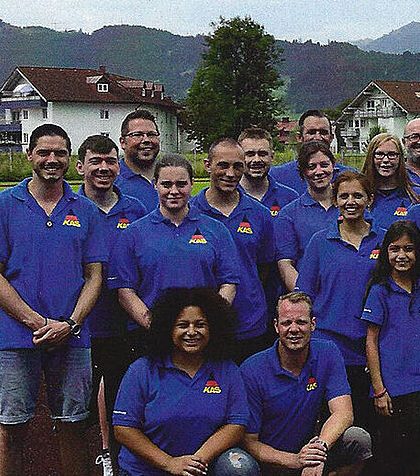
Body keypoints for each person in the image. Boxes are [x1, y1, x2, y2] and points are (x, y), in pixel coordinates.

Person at [0, 124, 120, 476]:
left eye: (60, 153)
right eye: (44, 152)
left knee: (73, 424)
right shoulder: (3, 205)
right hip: (15, 339)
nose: (52, 160)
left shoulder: (85, 210)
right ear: (30, 155)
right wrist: (35, 321)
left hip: (71, 339)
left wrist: (69, 323)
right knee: (12, 428)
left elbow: (95, 276)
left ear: (70, 159)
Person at [113, 288, 257, 476]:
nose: (192, 332)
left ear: (213, 327)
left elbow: (236, 424)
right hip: (149, 474)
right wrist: (169, 464)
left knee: (241, 470)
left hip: (203, 470)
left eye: (200, 324)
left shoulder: (226, 369)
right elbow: (123, 429)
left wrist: (194, 463)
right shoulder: (142, 370)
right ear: (168, 328)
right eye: (183, 325)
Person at [239, 292, 372, 476]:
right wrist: (294, 461)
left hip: (309, 450)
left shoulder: (328, 352)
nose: (294, 330)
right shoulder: (252, 370)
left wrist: (318, 451)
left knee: (359, 439)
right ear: (276, 326)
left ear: (313, 324)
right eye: (287, 323)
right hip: (271, 464)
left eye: (301, 322)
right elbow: (248, 443)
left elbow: (344, 413)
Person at [76, 134, 148, 476]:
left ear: (118, 166)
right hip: (79, 329)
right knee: (75, 419)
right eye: (96, 161)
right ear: (81, 166)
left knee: (124, 409)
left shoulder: (135, 208)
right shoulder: (69, 207)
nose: (104, 168)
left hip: (123, 328)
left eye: (110, 161)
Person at [361, 223, 420, 476]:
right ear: (385, 253)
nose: (402, 255)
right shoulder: (379, 290)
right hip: (391, 386)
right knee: (395, 447)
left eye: (408, 249)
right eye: (395, 249)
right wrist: (379, 389)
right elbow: (371, 340)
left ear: (418, 252)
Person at [111, 153, 239, 334]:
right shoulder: (133, 233)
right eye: (166, 184)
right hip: (151, 333)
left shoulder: (216, 230)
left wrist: (208, 321)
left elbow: (229, 283)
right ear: (155, 184)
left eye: (181, 184)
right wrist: (156, 326)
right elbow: (125, 291)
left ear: (192, 184)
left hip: (202, 335)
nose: (174, 191)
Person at [295, 172, 384, 432]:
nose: (351, 201)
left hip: (372, 345)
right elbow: (304, 296)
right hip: (331, 347)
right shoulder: (320, 242)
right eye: (344, 196)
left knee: (370, 425)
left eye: (357, 195)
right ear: (335, 200)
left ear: (370, 199)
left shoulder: (385, 239)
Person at [190, 138, 276, 363]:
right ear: (208, 166)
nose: (230, 173)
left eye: (238, 166)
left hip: (250, 324)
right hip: (202, 327)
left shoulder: (260, 214)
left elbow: (264, 266)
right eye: (223, 165)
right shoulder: (190, 213)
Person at [275, 141, 341, 289]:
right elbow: (286, 264)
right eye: (312, 167)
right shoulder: (289, 214)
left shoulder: (350, 207)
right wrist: (304, 297)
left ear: (333, 165)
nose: (319, 171)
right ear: (302, 171)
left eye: (324, 165)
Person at [269, 110, 356, 196]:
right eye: (311, 132)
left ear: (331, 138)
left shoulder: (351, 177)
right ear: (299, 137)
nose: (317, 137)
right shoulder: (277, 176)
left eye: (323, 132)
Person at [362, 133, 420, 230]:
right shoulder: (359, 195)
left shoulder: (418, 196)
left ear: (400, 158)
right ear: (371, 157)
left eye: (392, 155)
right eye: (379, 154)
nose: (385, 160)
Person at [238, 128, 299, 217]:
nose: (256, 160)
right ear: (239, 157)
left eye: (262, 154)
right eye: (250, 154)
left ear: (272, 156)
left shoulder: (290, 198)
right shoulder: (228, 196)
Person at [116, 110, 162, 211]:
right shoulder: (112, 181)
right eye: (138, 135)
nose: (146, 140)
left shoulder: (172, 178)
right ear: (123, 142)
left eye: (151, 134)